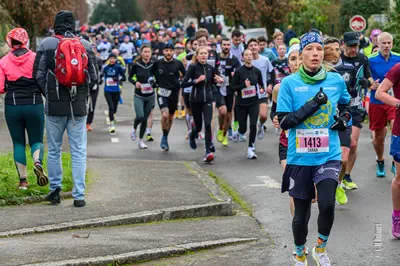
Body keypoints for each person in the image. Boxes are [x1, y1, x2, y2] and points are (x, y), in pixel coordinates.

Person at [277, 32, 350, 265]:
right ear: (300, 56)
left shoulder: (335, 80)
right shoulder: (289, 84)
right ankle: (299, 253)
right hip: (299, 157)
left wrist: (345, 119)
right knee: (301, 216)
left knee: (328, 204)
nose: (315, 53)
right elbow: (285, 121)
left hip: (328, 154)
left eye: (319, 49)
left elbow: (348, 105)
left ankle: (320, 247)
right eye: (309, 50)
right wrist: (312, 104)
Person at [34, 10, 98, 207]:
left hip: (54, 106)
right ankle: (79, 195)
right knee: (78, 150)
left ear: (55, 24)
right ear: (74, 25)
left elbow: (38, 74)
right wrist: (81, 94)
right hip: (78, 107)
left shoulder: (46, 44)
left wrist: (49, 93)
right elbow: (94, 77)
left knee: (54, 149)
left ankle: (55, 191)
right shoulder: (85, 45)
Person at [0, 28, 48, 190]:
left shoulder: (3, 61)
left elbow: (0, 87)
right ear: (26, 40)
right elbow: (43, 80)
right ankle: (37, 162)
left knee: (18, 143)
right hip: (34, 103)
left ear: (10, 42)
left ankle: (23, 182)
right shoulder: (36, 58)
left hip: (12, 105)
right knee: (36, 140)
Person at [324, 37, 358, 205]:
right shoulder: (316, 71)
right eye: (329, 49)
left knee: (344, 159)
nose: (334, 53)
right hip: (323, 124)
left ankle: (338, 183)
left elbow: (350, 93)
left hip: (343, 120)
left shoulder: (347, 68)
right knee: (326, 160)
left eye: (337, 49)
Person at [271, 44, 301, 216]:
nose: (296, 63)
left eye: (299, 58)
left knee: (312, 195)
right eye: (292, 59)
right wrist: (275, 118)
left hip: (311, 144)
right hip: (287, 143)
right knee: (294, 185)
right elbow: (274, 113)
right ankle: (298, 229)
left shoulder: (316, 85)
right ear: (287, 63)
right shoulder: (279, 88)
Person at [340, 32, 373, 187]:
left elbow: (369, 78)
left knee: (353, 143)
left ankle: (347, 176)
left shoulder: (362, 59)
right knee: (340, 144)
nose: (353, 49)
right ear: (343, 45)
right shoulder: (337, 60)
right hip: (339, 106)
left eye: (356, 46)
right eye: (350, 46)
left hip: (356, 105)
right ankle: (336, 174)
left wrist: (369, 83)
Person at [183, 46, 224, 162]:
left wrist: (219, 80)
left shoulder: (211, 68)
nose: (204, 55)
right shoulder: (193, 67)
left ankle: (208, 151)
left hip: (208, 100)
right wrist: (196, 80)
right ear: (197, 55)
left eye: (205, 53)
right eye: (201, 53)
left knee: (207, 124)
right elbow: (184, 83)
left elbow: (214, 81)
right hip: (195, 100)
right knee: (199, 126)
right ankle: (192, 134)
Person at [369, 32, 400, 177]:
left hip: (394, 102)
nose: (387, 46)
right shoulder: (370, 60)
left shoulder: (398, 59)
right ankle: (380, 160)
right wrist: (370, 84)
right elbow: (363, 78)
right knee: (378, 137)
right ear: (378, 44)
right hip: (377, 101)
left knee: (395, 127)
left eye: (389, 43)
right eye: (384, 43)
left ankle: (395, 161)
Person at [375, 63, 400, 239]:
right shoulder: (398, 68)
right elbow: (380, 92)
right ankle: (397, 217)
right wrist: (398, 103)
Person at [152, 43, 186, 151]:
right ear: (163, 52)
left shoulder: (178, 63)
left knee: (171, 117)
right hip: (162, 92)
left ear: (173, 52)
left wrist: (181, 82)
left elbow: (185, 75)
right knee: (165, 115)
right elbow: (150, 73)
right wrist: (152, 81)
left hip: (174, 92)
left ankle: (165, 136)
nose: (168, 52)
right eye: (166, 50)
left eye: (170, 50)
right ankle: (163, 137)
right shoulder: (158, 63)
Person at [232, 49, 265, 159]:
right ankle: (238, 131)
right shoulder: (239, 72)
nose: (249, 57)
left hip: (254, 102)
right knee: (243, 129)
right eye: (246, 55)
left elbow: (261, 85)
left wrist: (261, 89)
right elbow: (232, 87)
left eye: (250, 55)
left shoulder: (257, 71)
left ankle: (251, 148)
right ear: (243, 57)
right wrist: (243, 86)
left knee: (253, 125)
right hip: (241, 103)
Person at [247, 38, 274, 141]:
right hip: (250, 94)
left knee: (263, 116)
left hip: (262, 92)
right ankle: (251, 145)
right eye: (251, 45)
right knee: (252, 120)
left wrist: (270, 85)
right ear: (248, 48)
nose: (253, 47)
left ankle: (261, 124)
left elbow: (272, 73)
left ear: (258, 47)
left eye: (255, 45)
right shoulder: (246, 61)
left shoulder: (265, 60)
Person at [129, 45, 155, 149]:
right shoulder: (136, 65)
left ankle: (141, 141)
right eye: (145, 52)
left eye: (149, 52)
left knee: (145, 118)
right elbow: (130, 77)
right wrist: (135, 83)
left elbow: (159, 76)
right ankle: (134, 129)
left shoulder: (154, 64)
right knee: (140, 116)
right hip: (139, 95)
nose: (147, 54)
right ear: (141, 53)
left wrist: (155, 82)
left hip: (150, 95)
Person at [215, 38, 241, 146]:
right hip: (217, 88)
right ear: (220, 46)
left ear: (230, 46)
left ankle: (225, 134)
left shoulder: (234, 59)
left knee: (229, 114)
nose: (226, 46)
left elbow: (239, 72)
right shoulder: (215, 57)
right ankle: (221, 128)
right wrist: (216, 77)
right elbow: (210, 70)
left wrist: (235, 76)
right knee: (222, 111)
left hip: (229, 88)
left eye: (228, 45)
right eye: (224, 44)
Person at [103, 53, 126, 134]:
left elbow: (124, 78)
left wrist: (117, 79)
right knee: (111, 107)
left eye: (114, 58)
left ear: (116, 59)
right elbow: (101, 76)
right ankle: (112, 125)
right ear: (108, 59)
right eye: (111, 58)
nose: (112, 60)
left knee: (115, 108)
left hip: (116, 91)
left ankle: (113, 116)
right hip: (107, 91)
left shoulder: (118, 67)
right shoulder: (105, 68)